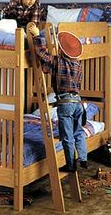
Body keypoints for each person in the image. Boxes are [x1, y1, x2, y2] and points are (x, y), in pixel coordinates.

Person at [28, 23, 88, 172]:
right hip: (78, 102)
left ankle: (71, 165)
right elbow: (48, 68)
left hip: (65, 103)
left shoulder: (58, 61)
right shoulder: (78, 65)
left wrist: (36, 35)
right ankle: (84, 159)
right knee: (78, 132)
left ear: (61, 49)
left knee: (67, 136)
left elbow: (42, 53)